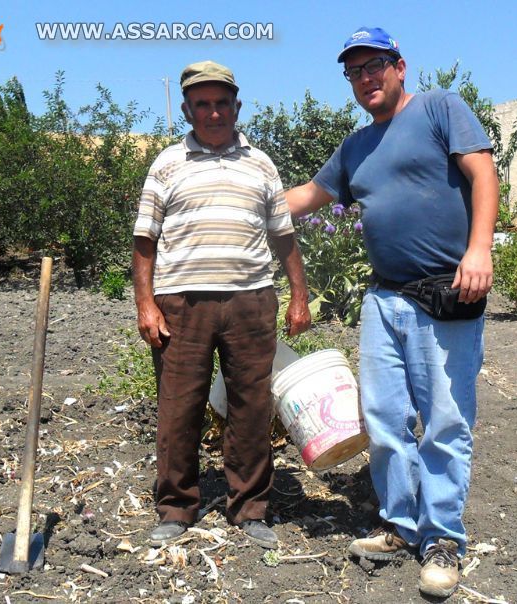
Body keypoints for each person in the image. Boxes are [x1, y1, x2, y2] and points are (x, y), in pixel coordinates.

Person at [286, 27, 498, 598]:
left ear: (399, 66)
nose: (365, 78)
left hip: (446, 292)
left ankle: (444, 538)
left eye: (374, 65)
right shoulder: (355, 147)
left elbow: (482, 171)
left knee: (447, 421)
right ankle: (400, 525)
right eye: (354, 71)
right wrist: (237, 197)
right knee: (383, 417)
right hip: (384, 298)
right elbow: (306, 197)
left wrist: (479, 248)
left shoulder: (439, 108)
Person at [132, 60, 311, 550]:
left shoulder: (262, 164)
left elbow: (284, 236)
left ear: (237, 106)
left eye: (222, 103)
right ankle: (176, 507)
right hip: (181, 305)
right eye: (202, 104)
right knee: (178, 408)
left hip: (251, 302)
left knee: (252, 406)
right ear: (187, 110)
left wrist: (299, 296)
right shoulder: (166, 164)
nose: (213, 112)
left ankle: (250, 509)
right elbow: (144, 241)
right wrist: (146, 304)